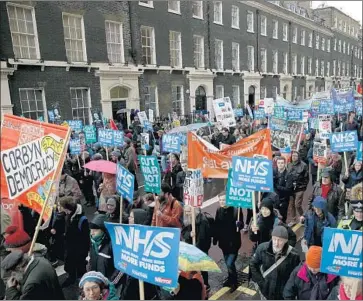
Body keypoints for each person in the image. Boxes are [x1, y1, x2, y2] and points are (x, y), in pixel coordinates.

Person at [250, 226, 301, 300]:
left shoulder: (294, 255)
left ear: (286, 241)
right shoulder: (262, 248)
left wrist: (288, 290)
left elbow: (296, 276)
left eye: (280, 240)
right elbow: (253, 264)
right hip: (266, 291)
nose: (276, 243)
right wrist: (261, 282)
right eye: (274, 239)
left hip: (282, 294)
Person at [119, 209, 159, 300]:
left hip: (141, 278)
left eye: (132, 217)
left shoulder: (146, 238)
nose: (129, 218)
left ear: (138, 219)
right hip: (130, 275)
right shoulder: (130, 233)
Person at [59, 196, 90, 287]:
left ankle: (83, 282)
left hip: (79, 249)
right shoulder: (68, 215)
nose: (60, 208)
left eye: (62, 206)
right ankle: (71, 278)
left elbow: (86, 238)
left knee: (80, 267)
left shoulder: (82, 220)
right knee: (70, 264)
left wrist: (84, 252)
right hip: (70, 247)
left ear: (67, 208)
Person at [213, 196, 243, 292]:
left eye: (224, 200)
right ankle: (230, 279)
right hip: (223, 243)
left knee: (230, 263)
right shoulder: (219, 210)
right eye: (220, 200)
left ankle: (234, 281)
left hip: (234, 242)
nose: (222, 202)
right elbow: (216, 225)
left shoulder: (236, 210)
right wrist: (215, 238)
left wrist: (239, 224)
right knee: (227, 262)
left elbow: (241, 225)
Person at [181, 205, 213, 290]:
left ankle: (205, 285)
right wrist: (189, 234)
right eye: (186, 211)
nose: (187, 213)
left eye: (189, 211)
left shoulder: (202, 221)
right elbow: (183, 233)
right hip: (191, 248)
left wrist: (195, 251)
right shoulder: (187, 220)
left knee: (203, 268)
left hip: (200, 249)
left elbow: (202, 238)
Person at [88, 214, 117, 281]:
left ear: (103, 230)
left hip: (108, 285)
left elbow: (120, 269)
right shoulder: (93, 242)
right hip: (97, 283)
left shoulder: (112, 245)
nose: (92, 233)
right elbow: (91, 259)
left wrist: (111, 283)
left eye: (95, 230)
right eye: (91, 230)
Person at [287, 151, 309, 227]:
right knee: (291, 204)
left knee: (297, 204)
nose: (294, 157)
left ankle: (303, 217)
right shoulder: (289, 165)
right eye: (293, 156)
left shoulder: (304, 165)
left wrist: (303, 187)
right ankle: (293, 220)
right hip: (291, 189)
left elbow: (306, 178)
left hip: (300, 188)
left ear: (298, 156)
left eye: (296, 156)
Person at [273, 156, 293, 223]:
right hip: (275, 198)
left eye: (282, 163)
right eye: (279, 163)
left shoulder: (289, 175)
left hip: (283, 199)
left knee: (282, 216)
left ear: (285, 164)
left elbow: (288, 189)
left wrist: (276, 186)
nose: (280, 165)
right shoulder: (274, 172)